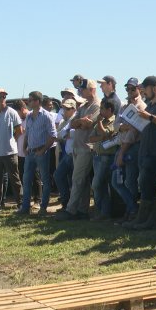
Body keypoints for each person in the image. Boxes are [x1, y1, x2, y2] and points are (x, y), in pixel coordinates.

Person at [123, 76, 156, 230]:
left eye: (144, 88)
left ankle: (148, 220)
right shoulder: (150, 105)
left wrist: (150, 117)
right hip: (146, 151)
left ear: (154, 88)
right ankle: (143, 219)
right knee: (145, 184)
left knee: (147, 183)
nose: (143, 92)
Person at [55, 79, 100, 220]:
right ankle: (82, 210)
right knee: (83, 181)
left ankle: (71, 210)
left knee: (77, 179)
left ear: (91, 89)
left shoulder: (97, 105)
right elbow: (73, 124)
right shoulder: (84, 106)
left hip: (86, 148)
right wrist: (80, 122)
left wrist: (80, 122)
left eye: (83, 88)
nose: (80, 91)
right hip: (77, 147)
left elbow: (89, 124)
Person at [111, 78, 146, 225]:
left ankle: (132, 212)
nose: (130, 91)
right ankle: (132, 209)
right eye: (128, 89)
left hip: (132, 147)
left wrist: (122, 153)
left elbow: (133, 131)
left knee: (130, 181)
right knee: (117, 181)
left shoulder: (141, 106)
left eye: (133, 89)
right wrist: (122, 127)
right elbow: (115, 125)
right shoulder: (124, 106)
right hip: (121, 146)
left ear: (139, 89)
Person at [17, 91, 57, 216]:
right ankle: (25, 208)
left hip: (41, 152)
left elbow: (53, 135)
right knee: (27, 179)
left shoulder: (46, 116)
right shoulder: (29, 116)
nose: (28, 102)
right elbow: (28, 133)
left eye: (30, 100)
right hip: (30, 152)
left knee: (44, 180)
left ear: (37, 101)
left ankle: (43, 207)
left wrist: (43, 150)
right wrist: (25, 147)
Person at [89, 98, 117, 221]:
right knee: (101, 185)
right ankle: (103, 213)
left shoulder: (114, 121)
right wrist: (102, 135)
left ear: (109, 109)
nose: (100, 111)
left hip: (107, 157)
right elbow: (91, 138)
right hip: (97, 156)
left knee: (96, 184)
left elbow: (108, 133)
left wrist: (100, 126)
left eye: (102, 109)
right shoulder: (101, 121)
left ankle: (100, 210)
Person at [11, 99, 42, 208]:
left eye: (18, 112)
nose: (17, 115)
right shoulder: (17, 119)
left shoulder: (31, 117)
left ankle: (38, 200)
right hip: (19, 153)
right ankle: (26, 200)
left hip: (30, 152)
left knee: (35, 176)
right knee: (24, 177)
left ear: (23, 109)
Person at [54, 98, 77, 210]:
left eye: (68, 108)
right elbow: (57, 135)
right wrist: (65, 133)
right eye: (64, 108)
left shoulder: (75, 119)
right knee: (58, 176)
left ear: (74, 109)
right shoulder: (64, 121)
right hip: (67, 154)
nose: (65, 110)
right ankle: (66, 202)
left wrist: (65, 134)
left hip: (75, 154)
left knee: (74, 181)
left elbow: (71, 134)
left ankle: (72, 205)